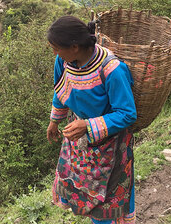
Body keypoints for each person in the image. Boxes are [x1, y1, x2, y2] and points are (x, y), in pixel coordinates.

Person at [47, 15, 137, 224]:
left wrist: (87, 125)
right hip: (81, 142)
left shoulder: (111, 69)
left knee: (109, 200)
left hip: (112, 143)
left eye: (57, 48)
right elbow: (61, 90)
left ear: (75, 46)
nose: (54, 53)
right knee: (85, 192)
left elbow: (127, 113)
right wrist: (55, 121)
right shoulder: (63, 61)